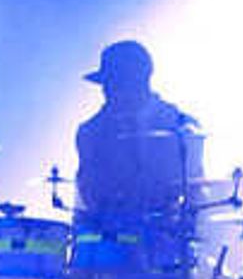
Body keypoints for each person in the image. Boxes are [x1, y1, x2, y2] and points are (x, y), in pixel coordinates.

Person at [73, 38, 199, 228]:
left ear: (140, 82)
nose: (107, 92)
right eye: (106, 85)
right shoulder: (91, 131)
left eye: (115, 84)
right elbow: (88, 193)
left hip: (164, 237)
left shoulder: (180, 127)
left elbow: (196, 188)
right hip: (107, 238)